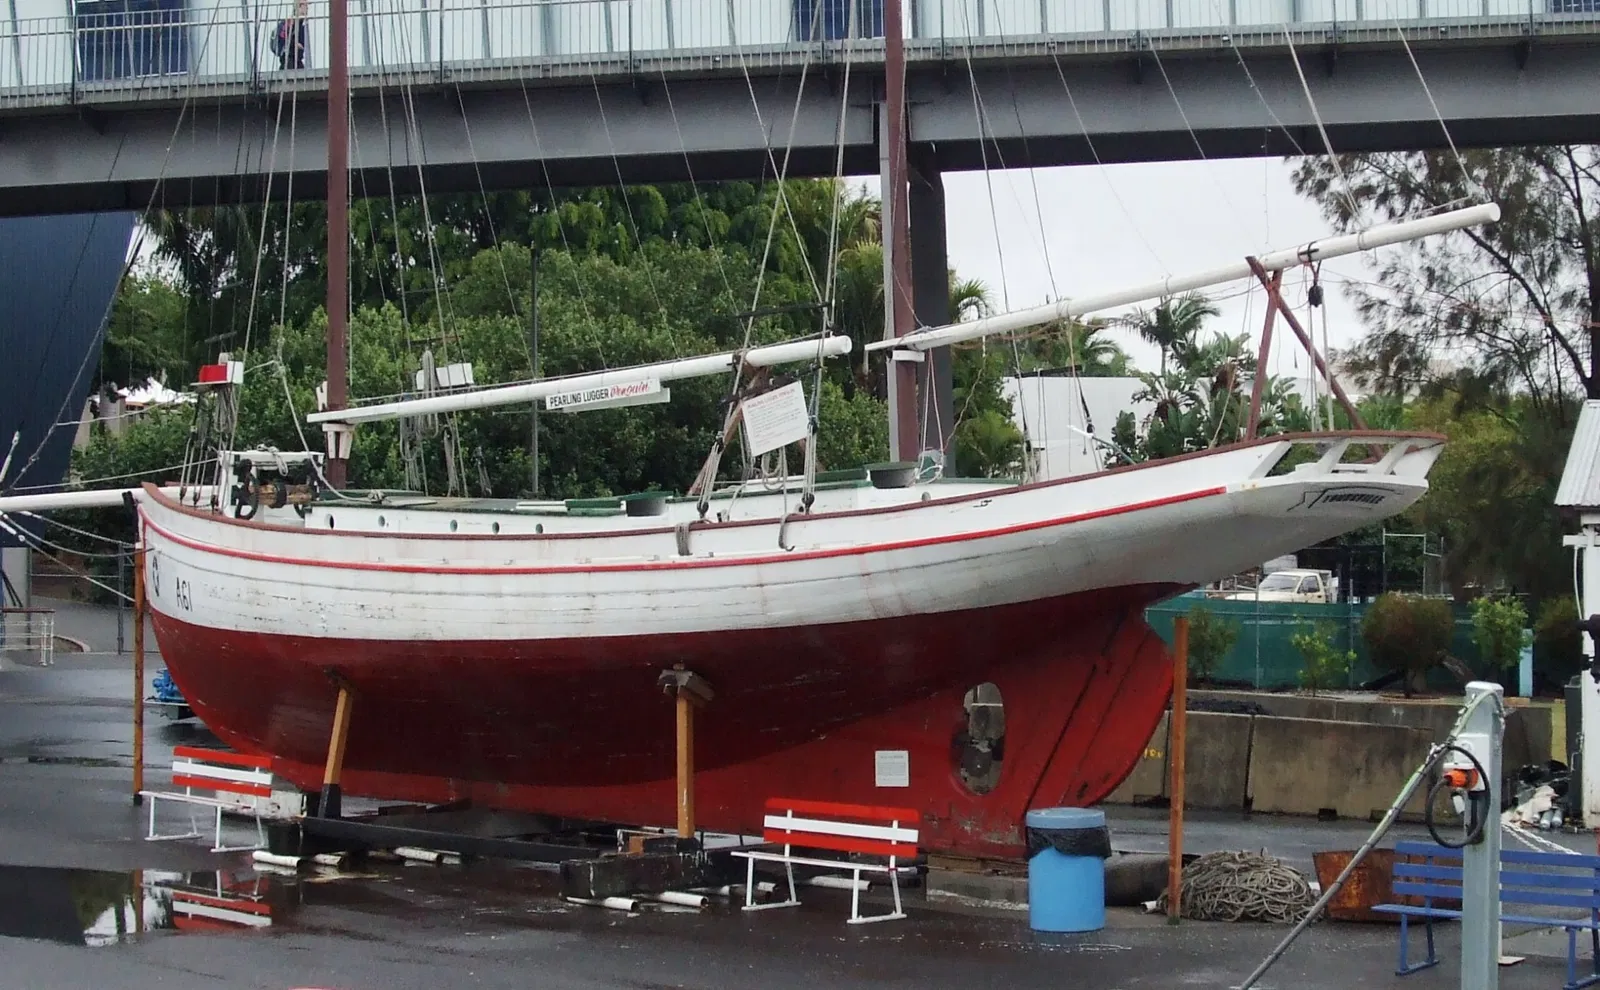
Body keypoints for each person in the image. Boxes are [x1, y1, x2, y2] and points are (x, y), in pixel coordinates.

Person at [270, 0, 309, 70]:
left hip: (296, 59)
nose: (307, 8)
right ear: (299, 7)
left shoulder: (300, 22)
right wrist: (295, 44)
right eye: (305, 6)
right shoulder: (290, 22)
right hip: (289, 60)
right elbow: (283, 37)